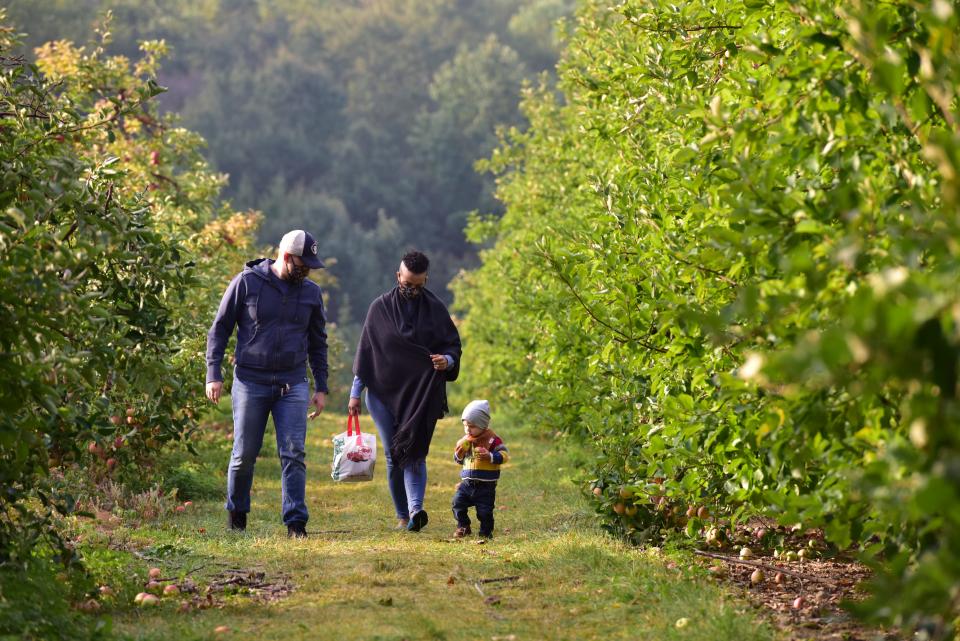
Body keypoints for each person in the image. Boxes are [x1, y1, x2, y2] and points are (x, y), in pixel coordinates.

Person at [205, 229, 329, 538]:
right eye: (303, 265)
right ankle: (237, 517)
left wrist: (322, 386)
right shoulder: (246, 282)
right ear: (286, 257)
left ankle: (296, 523)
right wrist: (213, 373)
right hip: (250, 380)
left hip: (293, 382)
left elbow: (318, 342)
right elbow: (219, 329)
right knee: (244, 453)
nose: (307, 271)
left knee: (294, 452)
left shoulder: (311, 292)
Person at [348, 251, 462, 532]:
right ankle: (402, 514)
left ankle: (415, 511)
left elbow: (453, 346)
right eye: (407, 283)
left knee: (415, 451)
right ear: (398, 276)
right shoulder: (379, 309)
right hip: (381, 394)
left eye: (418, 285)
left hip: (421, 395)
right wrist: (354, 393)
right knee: (393, 454)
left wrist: (445, 361)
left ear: (426, 280)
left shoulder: (435, 309)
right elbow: (366, 352)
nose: (411, 289)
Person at [452, 400, 509, 539]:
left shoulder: (493, 440)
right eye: (465, 426)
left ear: (483, 425)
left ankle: (485, 532)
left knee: (485, 512)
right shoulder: (465, 440)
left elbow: (504, 456)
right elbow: (459, 460)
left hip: (486, 486)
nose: (467, 430)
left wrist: (489, 456)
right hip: (467, 484)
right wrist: (459, 454)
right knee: (457, 504)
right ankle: (463, 526)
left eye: (471, 426)